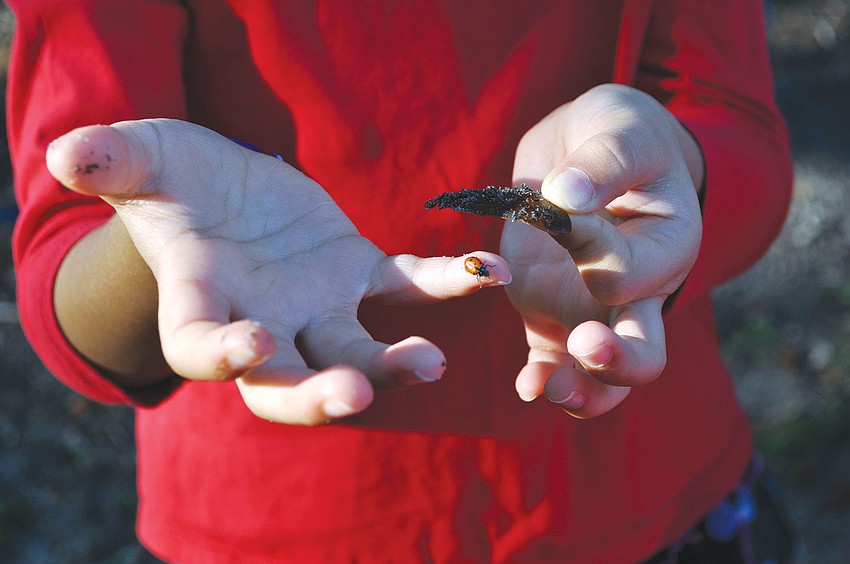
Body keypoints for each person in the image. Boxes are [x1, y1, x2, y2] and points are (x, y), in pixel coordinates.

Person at [6, 1, 797, 562]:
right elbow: (65, 274)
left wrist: (672, 171)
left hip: (651, 489)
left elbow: (737, 127)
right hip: (276, 520)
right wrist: (168, 226)